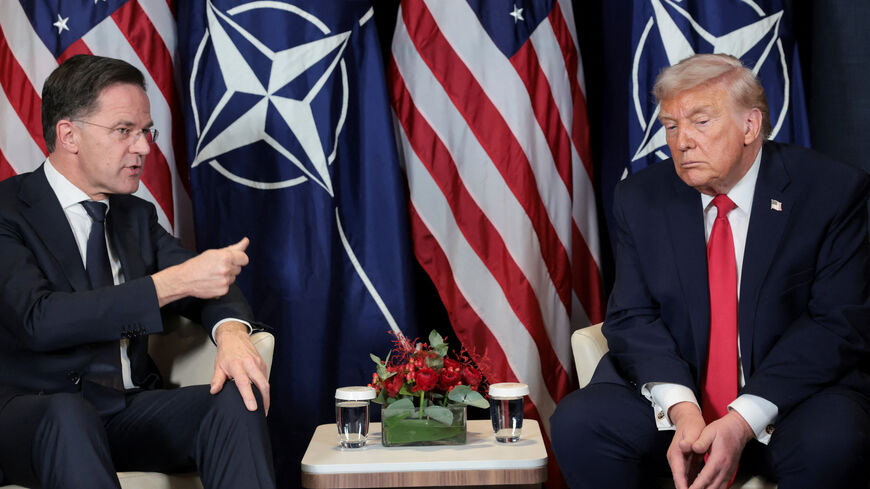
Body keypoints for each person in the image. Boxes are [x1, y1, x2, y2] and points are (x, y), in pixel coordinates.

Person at [551, 53, 870, 489]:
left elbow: (836, 324)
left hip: (789, 399)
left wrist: (742, 420)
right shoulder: (640, 197)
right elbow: (632, 316)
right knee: (580, 423)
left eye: (700, 121)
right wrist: (681, 408)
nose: (681, 141)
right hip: (680, 396)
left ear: (750, 126)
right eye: (670, 125)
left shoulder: (831, 191)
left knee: (834, 440)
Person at [0, 55, 275, 488]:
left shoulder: (136, 217)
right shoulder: (9, 211)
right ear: (68, 135)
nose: (145, 147)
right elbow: (39, 320)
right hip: (34, 418)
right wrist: (167, 285)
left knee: (237, 400)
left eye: (146, 132)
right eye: (124, 131)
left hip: (126, 409)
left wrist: (232, 334)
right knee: (69, 415)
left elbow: (206, 281)